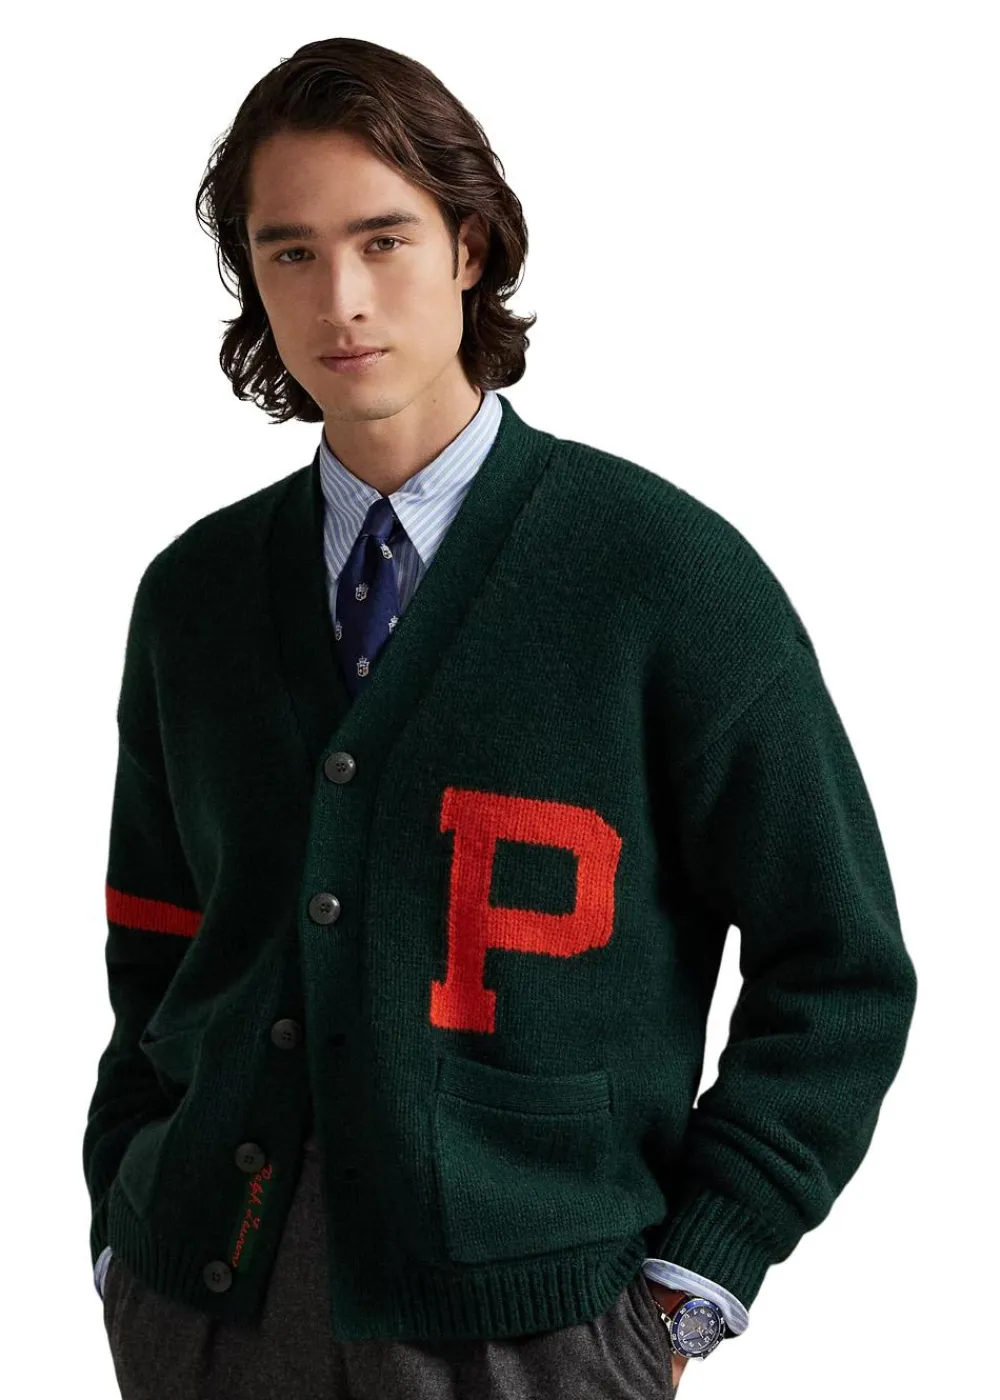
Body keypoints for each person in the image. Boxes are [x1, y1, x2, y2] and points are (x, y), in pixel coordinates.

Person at [84, 36, 917, 1400]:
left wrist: (692, 1281)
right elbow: (155, 946)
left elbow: (839, 968)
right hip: (207, 1310)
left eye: (384, 240)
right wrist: (125, 1225)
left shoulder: (664, 580)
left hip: (538, 1332)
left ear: (469, 248)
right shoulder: (196, 597)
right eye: (290, 252)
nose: (342, 298)